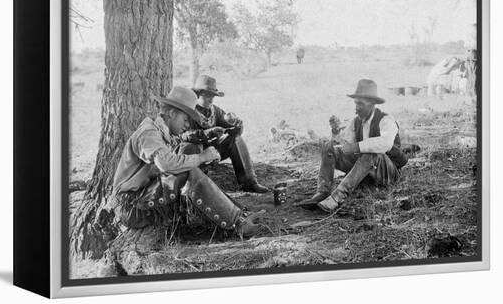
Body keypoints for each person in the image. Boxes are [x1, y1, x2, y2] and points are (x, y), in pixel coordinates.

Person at [110, 86, 262, 237]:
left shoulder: (161, 132)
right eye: (185, 119)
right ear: (172, 114)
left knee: (188, 164)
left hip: (142, 199)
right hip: (131, 207)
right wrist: (202, 157)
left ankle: (239, 214)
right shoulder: (149, 132)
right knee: (188, 171)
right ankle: (237, 225)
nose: (187, 125)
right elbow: (167, 164)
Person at [297, 79, 408, 213]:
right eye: (355, 103)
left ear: (372, 104)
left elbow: (385, 143)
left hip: (388, 174)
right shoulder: (356, 122)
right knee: (328, 147)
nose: (356, 108)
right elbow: (344, 146)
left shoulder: (386, 120)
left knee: (370, 152)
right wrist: (336, 133)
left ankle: (338, 196)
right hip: (366, 172)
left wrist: (356, 147)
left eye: (360, 104)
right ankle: (322, 192)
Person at [179, 75, 269, 194]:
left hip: (214, 152)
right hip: (194, 153)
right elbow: (182, 135)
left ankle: (249, 182)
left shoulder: (215, 111)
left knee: (236, 139)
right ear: (198, 95)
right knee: (190, 146)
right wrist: (208, 133)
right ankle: (198, 186)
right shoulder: (187, 111)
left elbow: (230, 129)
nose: (211, 100)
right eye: (207, 96)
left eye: (213, 97)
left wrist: (237, 126)